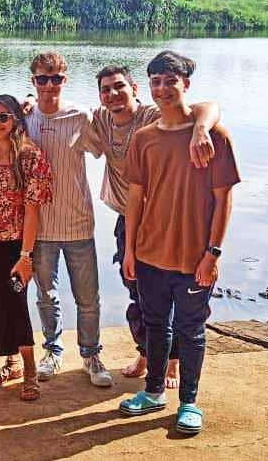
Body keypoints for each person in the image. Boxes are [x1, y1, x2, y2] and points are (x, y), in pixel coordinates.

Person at [72, 65, 221, 387]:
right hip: (128, 219)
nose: (113, 94)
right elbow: (65, 111)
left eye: (119, 87)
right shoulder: (101, 119)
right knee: (137, 291)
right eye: (105, 89)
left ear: (135, 88)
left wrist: (200, 129)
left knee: (176, 293)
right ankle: (147, 352)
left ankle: (173, 361)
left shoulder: (154, 114)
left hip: (165, 220)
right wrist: (30, 100)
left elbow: (207, 106)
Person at [119, 51, 239, 435]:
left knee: (191, 330)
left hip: (194, 257)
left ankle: (188, 402)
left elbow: (223, 200)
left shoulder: (214, 136)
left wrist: (213, 253)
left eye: (170, 80)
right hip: (150, 254)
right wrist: (130, 251)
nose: (163, 88)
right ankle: (153, 392)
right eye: (155, 81)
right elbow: (134, 199)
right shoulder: (143, 139)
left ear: (185, 84)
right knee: (155, 326)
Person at [23, 52, 111, 387]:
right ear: (33, 81)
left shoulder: (80, 116)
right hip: (40, 226)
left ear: (65, 79)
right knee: (46, 295)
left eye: (56, 79)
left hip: (78, 222)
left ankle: (91, 354)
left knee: (88, 298)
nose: (49, 86)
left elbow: (108, 151)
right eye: (42, 79)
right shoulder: (24, 119)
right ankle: (52, 351)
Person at [0, 94, 52, 401]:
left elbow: (32, 210)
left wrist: (26, 257)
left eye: (3, 117)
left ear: (16, 119)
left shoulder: (30, 156)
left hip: (16, 245)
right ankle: (12, 362)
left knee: (16, 305)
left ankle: (30, 370)